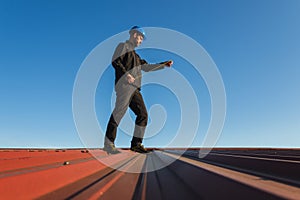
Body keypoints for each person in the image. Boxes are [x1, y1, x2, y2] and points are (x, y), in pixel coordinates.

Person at [103, 26, 173, 154]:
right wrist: (126, 75)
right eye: (140, 38)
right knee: (119, 111)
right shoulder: (123, 46)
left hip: (135, 89)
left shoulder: (136, 56)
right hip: (124, 86)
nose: (141, 41)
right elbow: (115, 61)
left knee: (143, 114)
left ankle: (136, 144)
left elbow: (146, 67)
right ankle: (108, 143)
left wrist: (163, 64)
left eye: (142, 39)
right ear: (134, 35)